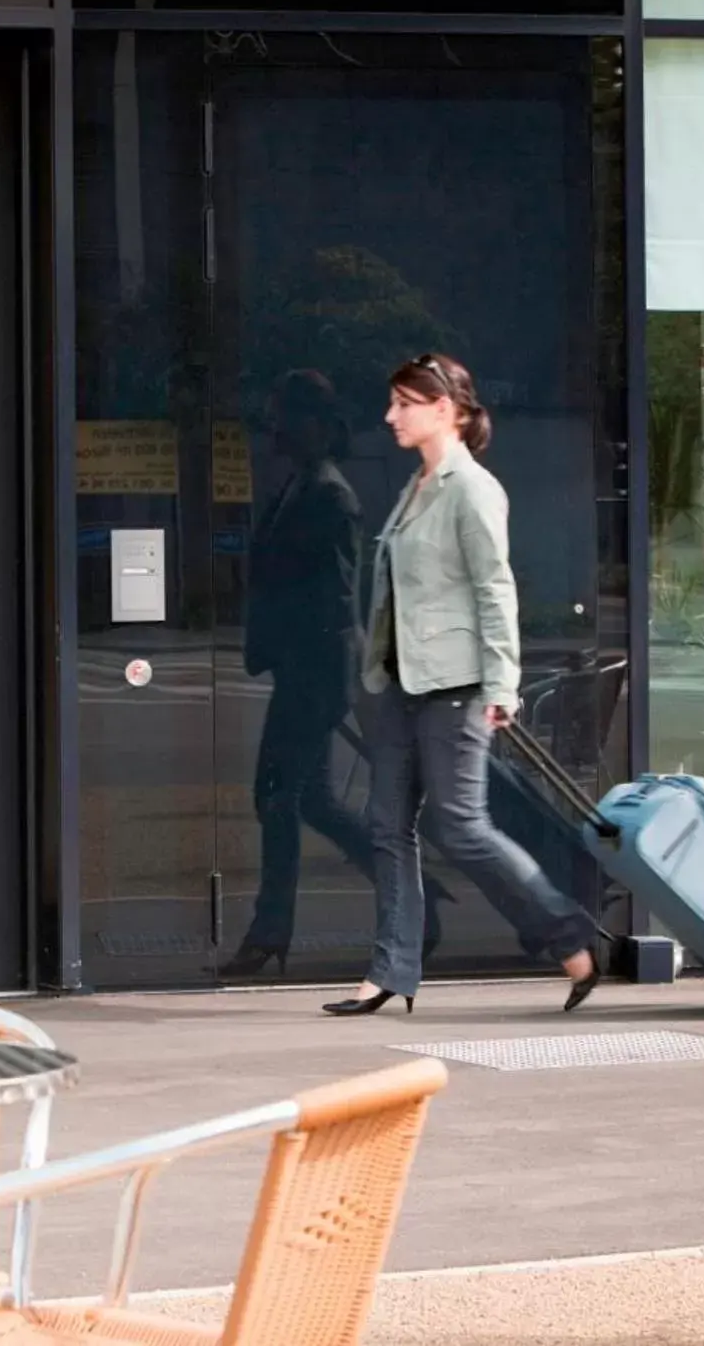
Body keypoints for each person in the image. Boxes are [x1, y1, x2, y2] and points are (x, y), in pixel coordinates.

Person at [324, 353, 602, 1016]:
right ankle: (390, 970)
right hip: (395, 686)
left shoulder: (471, 488)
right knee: (386, 826)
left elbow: (494, 588)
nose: (390, 416)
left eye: (403, 404)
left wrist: (501, 683)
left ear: (443, 408)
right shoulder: (415, 486)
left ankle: (569, 933)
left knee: (460, 824)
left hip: (455, 683)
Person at [225, 372, 454, 977]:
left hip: (314, 674)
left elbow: (333, 599)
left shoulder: (329, 496)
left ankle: (269, 931)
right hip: (303, 670)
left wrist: (319, 676)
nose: (275, 428)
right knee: (314, 802)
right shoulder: (302, 486)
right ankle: (418, 900)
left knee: (277, 799)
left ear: (317, 428)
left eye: (286, 416)